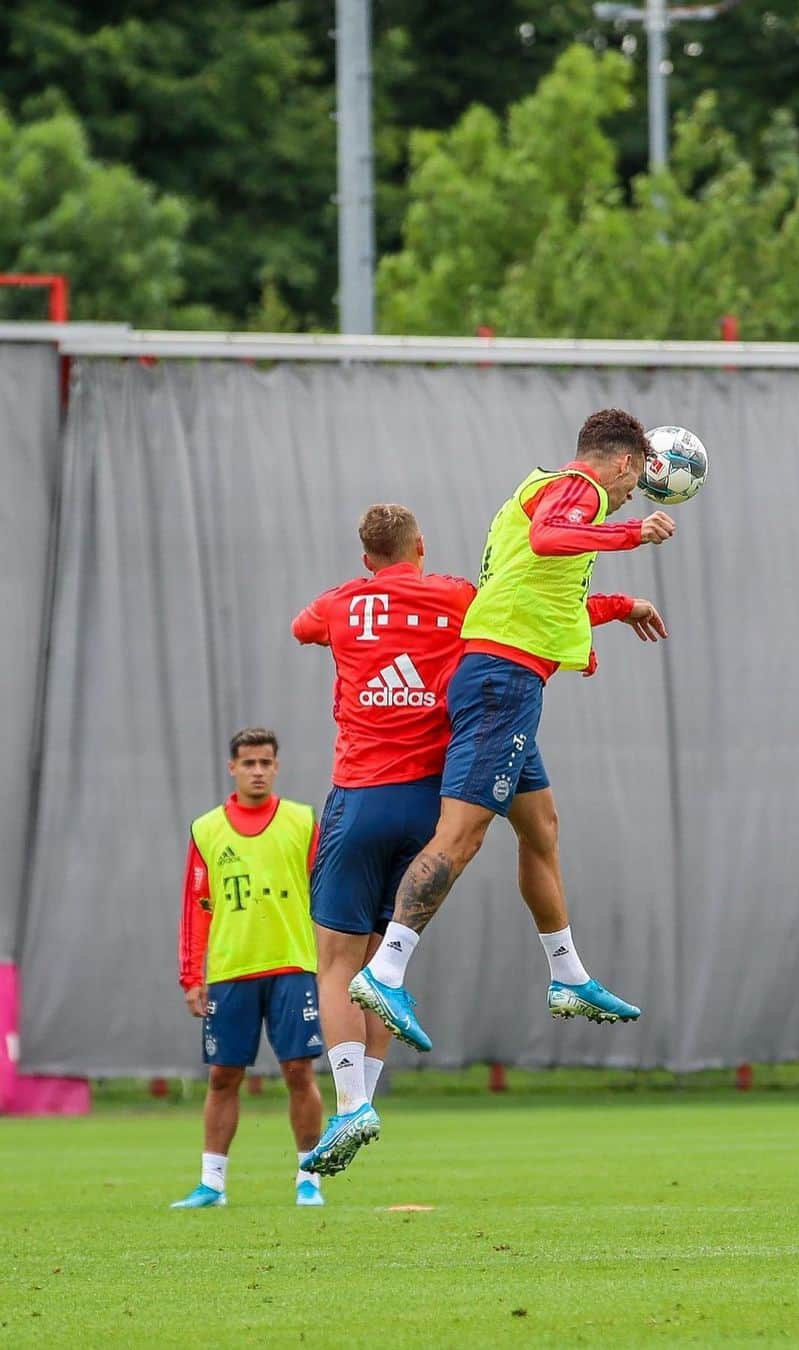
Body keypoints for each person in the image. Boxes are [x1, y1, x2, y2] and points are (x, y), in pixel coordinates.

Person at [350, 408, 674, 1053]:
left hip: (504, 677)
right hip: (501, 681)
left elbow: (534, 585)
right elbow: (557, 538)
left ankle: (567, 976)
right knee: (462, 836)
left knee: (540, 827)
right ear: (626, 463)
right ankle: (385, 970)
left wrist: (616, 608)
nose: (628, 497)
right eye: (634, 484)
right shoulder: (577, 491)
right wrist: (634, 533)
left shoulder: (537, 496)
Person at [290, 504, 475, 1176]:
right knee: (380, 971)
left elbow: (302, 627)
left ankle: (349, 1106)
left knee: (336, 966)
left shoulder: (344, 601)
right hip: (434, 808)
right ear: (421, 545)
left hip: (362, 797)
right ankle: (364, 1098)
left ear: (366, 557)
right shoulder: (458, 596)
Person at [172, 729, 326, 1209]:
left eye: (265, 762)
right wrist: (192, 976)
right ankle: (212, 1184)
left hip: (292, 964)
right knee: (223, 1076)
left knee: (299, 1071)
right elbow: (197, 907)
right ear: (232, 768)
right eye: (248, 763)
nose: (257, 770)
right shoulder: (207, 829)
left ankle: (309, 1179)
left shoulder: (302, 822)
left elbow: (326, 894)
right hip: (231, 970)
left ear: (276, 767)